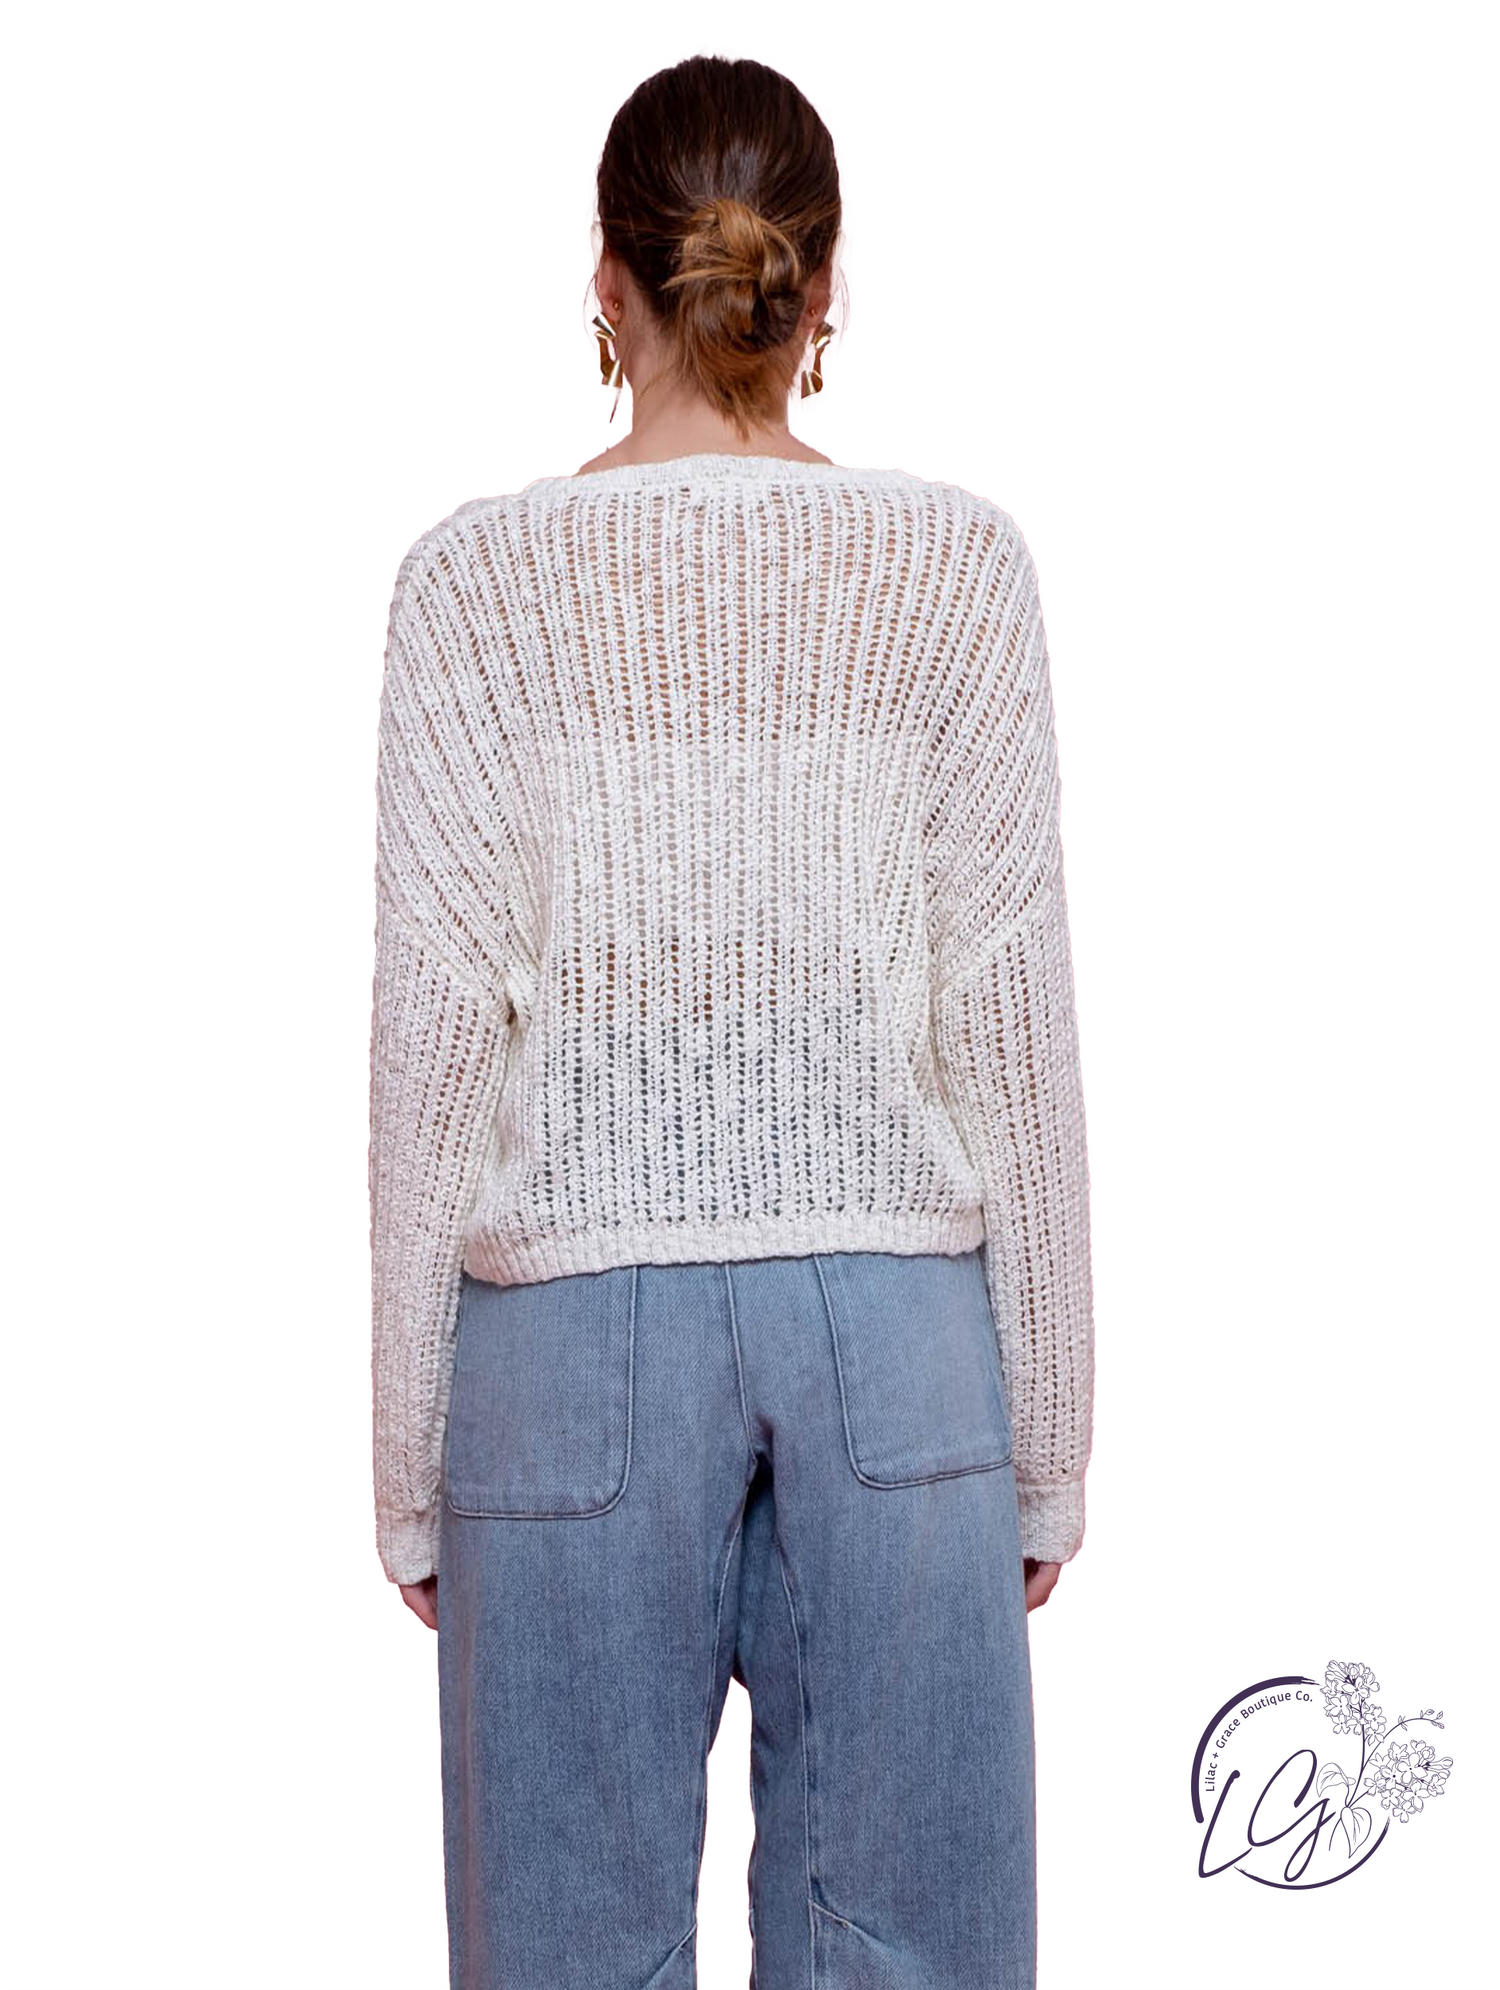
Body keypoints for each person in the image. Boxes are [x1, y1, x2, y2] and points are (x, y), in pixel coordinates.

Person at [367, 51, 1094, 1990]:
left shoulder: (470, 587)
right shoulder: (957, 570)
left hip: (564, 1343)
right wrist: (1051, 1433)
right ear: (823, 285)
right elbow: (1012, 1019)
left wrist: (408, 1460)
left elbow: (430, 1046)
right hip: (901, 1339)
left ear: (605, 287)